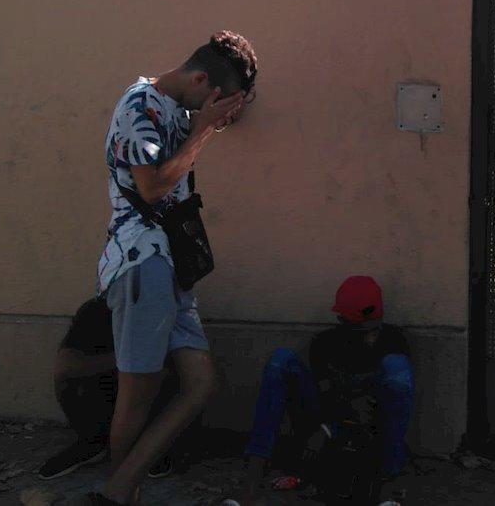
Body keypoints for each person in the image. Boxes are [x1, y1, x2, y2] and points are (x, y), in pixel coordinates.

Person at [86, 31, 258, 505]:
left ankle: (120, 488)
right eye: (212, 95)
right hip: (142, 261)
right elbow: (153, 187)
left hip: (169, 266)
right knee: (136, 393)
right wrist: (203, 130)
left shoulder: (173, 109)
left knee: (199, 383)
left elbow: (187, 135)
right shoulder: (139, 106)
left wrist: (213, 117)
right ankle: (120, 492)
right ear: (200, 78)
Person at [243, 276, 413, 504]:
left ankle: (388, 477)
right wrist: (326, 427)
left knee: (397, 368)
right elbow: (326, 399)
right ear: (342, 319)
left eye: (372, 329)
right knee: (281, 361)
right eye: (359, 330)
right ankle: (255, 467)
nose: (367, 338)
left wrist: (330, 427)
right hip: (329, 421)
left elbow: (378, 407)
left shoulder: (394, 342)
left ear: (380, 318)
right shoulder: (326, 343)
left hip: (369, 430)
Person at [37, 296, 198, 481]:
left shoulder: (165, 308)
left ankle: (153, 448)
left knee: (159, 379)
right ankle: (94, 443)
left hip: (150, 395)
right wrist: (124, 360)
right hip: (110, 388)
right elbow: (66, 366)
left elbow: (178, 372)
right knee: (74, 379)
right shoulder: (98, 311)